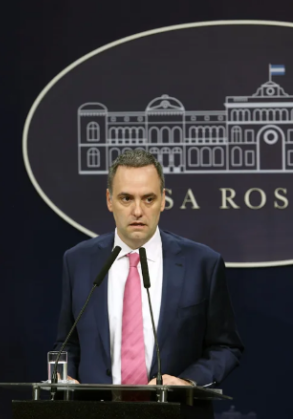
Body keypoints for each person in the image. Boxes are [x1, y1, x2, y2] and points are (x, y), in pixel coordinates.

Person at [54, 149, 243, 388]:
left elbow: (225, 347)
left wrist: (187, 381)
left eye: (148, 199)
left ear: (163, 200)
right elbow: (67, 344)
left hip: (173, 407)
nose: (137, 211)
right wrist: (65, 377)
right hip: (96, 406)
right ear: (109, 200)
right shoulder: (78, 261)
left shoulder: (202, 264)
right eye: (126, 198)